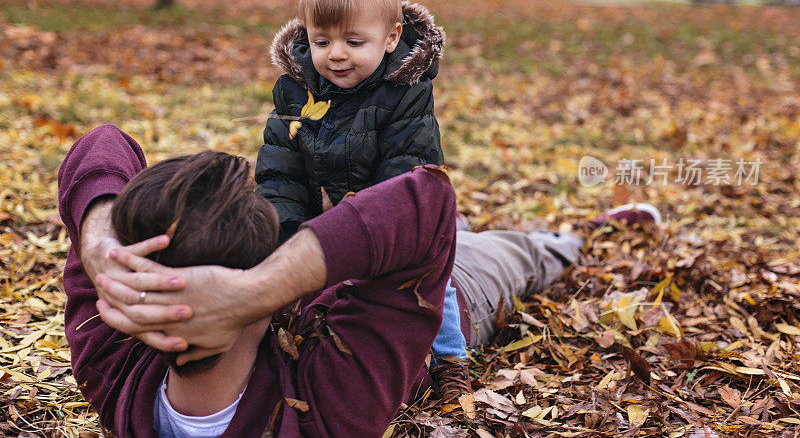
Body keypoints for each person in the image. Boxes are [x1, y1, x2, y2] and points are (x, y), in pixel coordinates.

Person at [61, 126, 661, 437]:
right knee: (522, 253)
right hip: (436, 293)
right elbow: (428, 202)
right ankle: (581, 232)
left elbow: (100, 144)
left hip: (364, 256)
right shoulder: (324, 410)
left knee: (430, 229)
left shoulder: (114, 365)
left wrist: (99, 246)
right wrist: (258, 293)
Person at [255, 0, 468, 397]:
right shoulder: (295, 90)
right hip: (320, 220)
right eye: (321, 41)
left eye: (354, 43)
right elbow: (280, 167)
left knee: (433, 284)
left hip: (391, 220)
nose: (335, 55)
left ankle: (451, 360)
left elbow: (406, 169)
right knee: (288, 273)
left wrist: (359, 220)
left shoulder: (405, 93)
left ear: (391, 38)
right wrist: (288, 227)